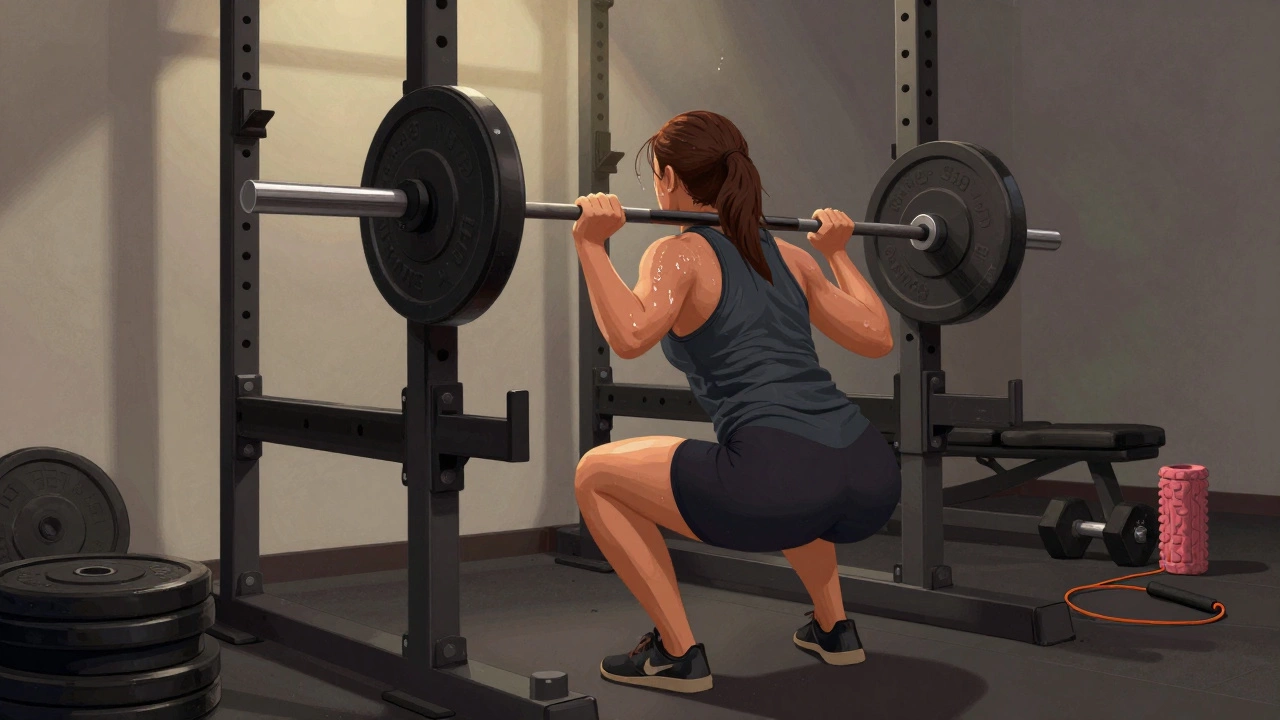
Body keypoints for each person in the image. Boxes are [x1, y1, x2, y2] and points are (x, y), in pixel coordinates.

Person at [571, 110, 902, 694]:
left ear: (669, 178)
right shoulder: (792, 257)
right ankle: (835, 629)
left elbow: (628, 337)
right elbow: (878, 337)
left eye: (654, 176)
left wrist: (591, 246)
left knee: (595, 473)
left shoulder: (679, 254)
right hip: (870, 473)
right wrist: (839, 253)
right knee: (796, 471)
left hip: (776, 483)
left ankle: (677, 655)